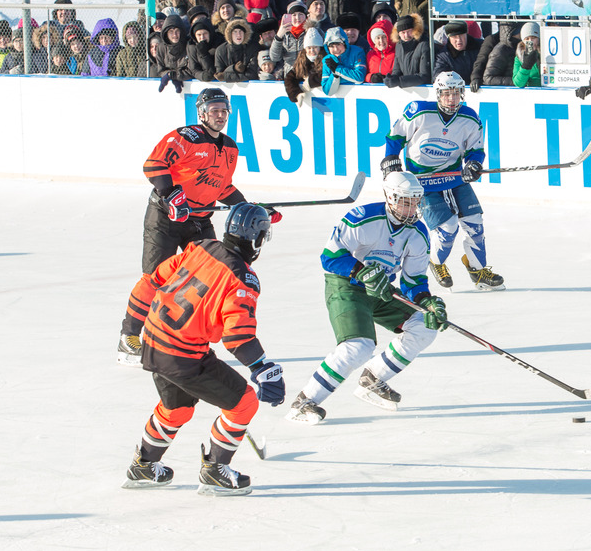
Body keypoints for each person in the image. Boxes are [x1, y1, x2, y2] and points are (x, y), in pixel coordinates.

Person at [122, 203, 285, 495]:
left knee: (177, 409)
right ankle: (215, 470)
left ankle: (144, 466)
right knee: (244, 402)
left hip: (154, 343)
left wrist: (129, 329)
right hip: (183, 357)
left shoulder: (200, 247)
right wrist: (262, 368)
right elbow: (238, 337)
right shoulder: (242, 278)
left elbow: (151, 281)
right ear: (256, 240)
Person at [117, 88, 266, 367]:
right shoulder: (185, 137)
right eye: (214, 110)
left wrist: (248, 208)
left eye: (224, 111)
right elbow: (153, 165)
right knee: (154, 277)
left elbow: (221, 186)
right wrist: (171, 194)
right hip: (165, 217)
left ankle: (188, 336)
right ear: (202, 113)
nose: (220, 116)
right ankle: (129, 337)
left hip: (199, 221)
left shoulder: (230, 148)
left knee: (212, 273)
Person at [285, 172, 446, 424]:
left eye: (415, 201)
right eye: (406, 201)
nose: (412, 207)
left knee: (424, 326)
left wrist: (426, 301)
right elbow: (330, 256)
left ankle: (373, 378)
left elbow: (413, 280)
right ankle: (305, 401)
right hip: (347, 285)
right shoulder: (363, 218)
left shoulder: (418, 233)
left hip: (381, 288)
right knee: (359, 347)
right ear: (390, 198)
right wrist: (361, 272)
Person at [382, 71, 503, 290]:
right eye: (447, 94)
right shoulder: (419, 111)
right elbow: (395, 136)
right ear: (438, 94)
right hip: (423, 182)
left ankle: (478, 270)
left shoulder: (470, 117)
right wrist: (391, 159)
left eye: (456, 94)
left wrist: (473, 165)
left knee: (475, 223)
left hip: (454, 177)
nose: (452, 99)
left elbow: (476, 149)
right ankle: (436, 262)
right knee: (448, 228)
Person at [385, 14, 431, 88]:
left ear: (414, 30)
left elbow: (424, 76)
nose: (406, 35)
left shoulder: (424, 44)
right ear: (398, 34)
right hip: (408, 90)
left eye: (409, 31)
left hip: (424, 90)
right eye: (403, 32)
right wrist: (392, 78)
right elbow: (397, 69)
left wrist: (400, 81)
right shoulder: (399, 45)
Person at [320, 26, 366, 95]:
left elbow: (359, 77)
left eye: (338, 44)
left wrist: (338, 69)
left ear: (344, 43)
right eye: (331, 46)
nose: (336, 49)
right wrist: (335, 75)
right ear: (327, 47)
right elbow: (328, 91)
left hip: (359, 95)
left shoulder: (357, 52)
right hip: (341, 101)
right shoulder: (327, 60)